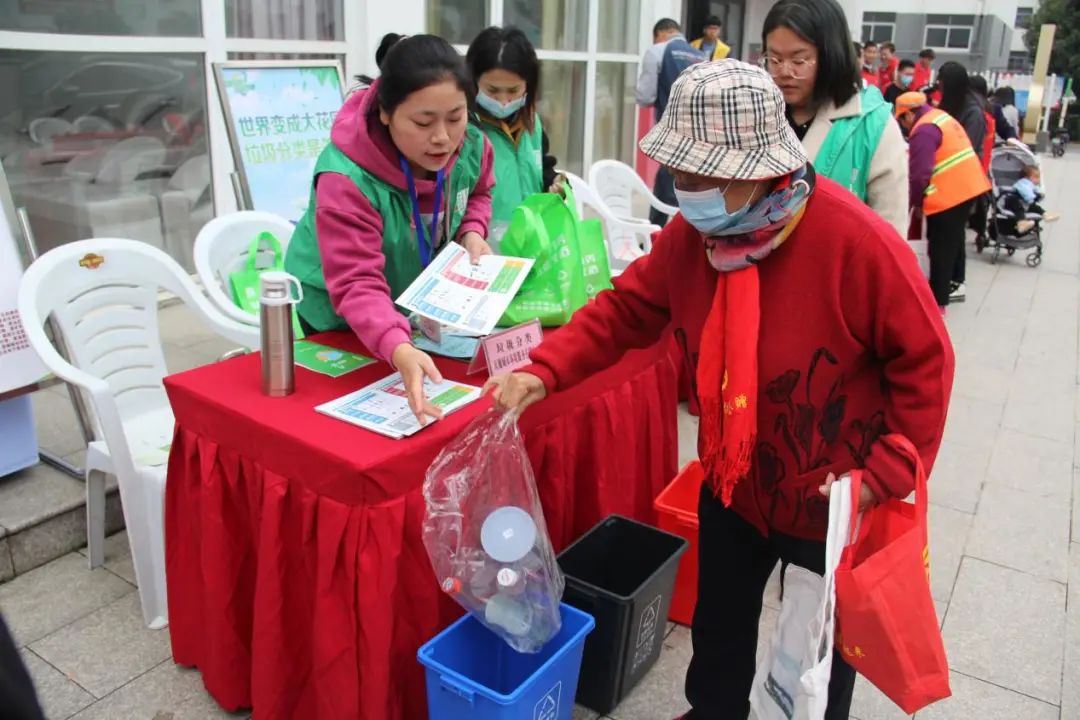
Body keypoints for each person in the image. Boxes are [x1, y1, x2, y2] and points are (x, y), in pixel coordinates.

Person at [487, 60, 954, 720]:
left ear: (762, 168)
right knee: (719, 626)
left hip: (829, 486)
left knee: (817, 649)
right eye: (680, 175)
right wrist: (545, 368)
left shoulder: (855, 243)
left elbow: (926, 359)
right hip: (734, 477)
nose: (687, 192)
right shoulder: (697, 237)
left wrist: (890, 469)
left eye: (705, 177)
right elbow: (626, 309)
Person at [285, 35, 495, 423]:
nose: (443, 138)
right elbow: (356, 282)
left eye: (455, 117)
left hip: (405, 300)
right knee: (351, 413)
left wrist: (472, 231)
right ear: (385, 111)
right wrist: (396, 345)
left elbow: (479, 191)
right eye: (422, 121)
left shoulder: (472, 146)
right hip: (338, 311)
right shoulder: (346, 179)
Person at [763, 0, 909, 237]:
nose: (784, 72)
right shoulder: (759, 113)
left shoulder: (873, 125)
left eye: (799, 61)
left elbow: (890, 239)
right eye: (775, 59)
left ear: (832, 55)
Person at [895, 91, 989, 313]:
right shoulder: (940, 116)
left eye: (902, 121)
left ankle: (937, 303)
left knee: (940, 248)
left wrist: (913, 204)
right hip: (969, 186)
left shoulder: (923, 130)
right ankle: (955, 283)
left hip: (950, 193)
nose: (905, 127)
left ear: (908, 114)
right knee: (954, 240)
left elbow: (919, 175)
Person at [466, 27, 560, 231]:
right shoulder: (466, 130)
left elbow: (541, 170)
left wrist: (555, 181)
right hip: (483, 245)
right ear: (473, 81)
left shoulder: (532, 124)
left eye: (513, 90)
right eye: (492, 90)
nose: (503, 101)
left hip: (529, 241)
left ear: (529, 85)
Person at [636, 18, 706, 226]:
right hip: (699, 139)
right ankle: (667, 236)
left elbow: (645, 97)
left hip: (672, 136)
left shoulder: (658, 51)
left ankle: (658, 240)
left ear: (659, 35)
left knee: (668, 192)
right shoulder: (700, 56)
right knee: (682, 190)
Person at [935, 61, 986, 302]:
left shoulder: (973, 112)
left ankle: (957, 281)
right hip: (947, 179)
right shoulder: (952, 104)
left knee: (955, 234)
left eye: (942, 82)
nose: (939, 86)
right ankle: (951, 280)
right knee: (950, 234)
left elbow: (969, 149)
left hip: (963, 181)